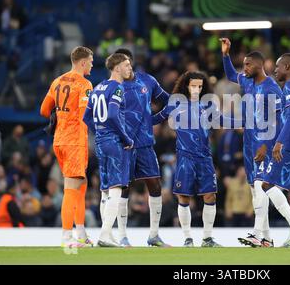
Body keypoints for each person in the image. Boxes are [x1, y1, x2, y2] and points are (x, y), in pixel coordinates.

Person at [152, 71, 232, 247]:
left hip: (205, 157)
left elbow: (222, 120)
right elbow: (157, 118)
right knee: (184, 197)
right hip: (185, 158)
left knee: (210, 196)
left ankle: (207, 238)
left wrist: (244, 121)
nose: (197, 89)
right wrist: (138, 123)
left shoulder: (207, 105)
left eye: (200, 86)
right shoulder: (176, 103)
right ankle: (188, 238)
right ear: (186, 86)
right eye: (194, 86)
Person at [220, 38, 282, 247]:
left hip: (264, 142)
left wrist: (268, 144)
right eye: (244, 64)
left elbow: (278, 120)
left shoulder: (271, 88)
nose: (244, 68)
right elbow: (230, 74)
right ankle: (267, 239)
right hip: (248, 140)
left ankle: (257, 233)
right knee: (255, 190)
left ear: (259, 65)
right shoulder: (247, 81)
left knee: (260, 186)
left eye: (248, 64)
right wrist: (226, 55)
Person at [114, 48, 170, 247]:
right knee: (123, 189)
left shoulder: (148, 81)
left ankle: (154, 236)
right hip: (124, 144)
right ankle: (122, 236)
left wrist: (155, 119)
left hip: (146, 144)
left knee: (155, 185)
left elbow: (168, 100)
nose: (125, 67)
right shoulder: (113, 86)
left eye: (127, 62)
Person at [253, 53, 290, 247]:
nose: (275, 70)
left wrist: (279, 143)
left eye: (278, 67)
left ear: (287, 67)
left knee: (267, 184)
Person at [40, 46, 94, 248]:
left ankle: (80, 233)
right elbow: (85, 116)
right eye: (90, 61)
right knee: (71, 188)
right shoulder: (85, 84)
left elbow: (44, 110)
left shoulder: (57, 81)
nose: (91, 64)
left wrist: (60, 115)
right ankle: (66, 237)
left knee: (81, 183)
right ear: (82, 62)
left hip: (59, 140)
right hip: (74, 140)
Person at [83, 53, 134, 247]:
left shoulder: (97, 88)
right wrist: (125, 137)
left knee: (105, 190)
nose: (130, 68)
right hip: (113, 142)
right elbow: (113, 114)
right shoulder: (118, 88)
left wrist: (100, 131)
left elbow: (87, 117)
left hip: (100, 142)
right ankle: (104, 235)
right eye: (127, 65)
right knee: (116, 188)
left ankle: (108, 235)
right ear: (117, 68)